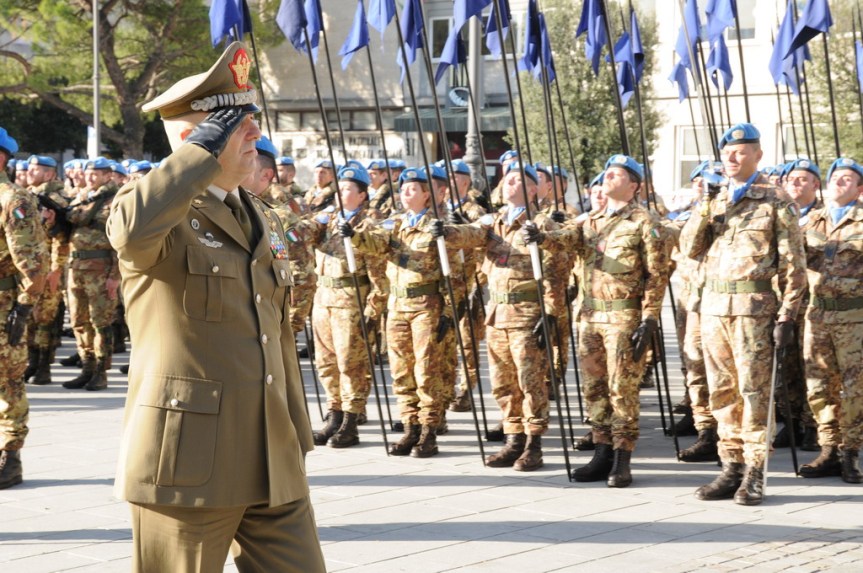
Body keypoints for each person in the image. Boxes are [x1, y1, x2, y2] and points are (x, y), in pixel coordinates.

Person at [105, 41, 325, 572]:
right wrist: (196, 156)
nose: (255, 133)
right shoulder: (156, 211)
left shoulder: (259, 212)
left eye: (252, 119)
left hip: (272, 452)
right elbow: (131, 231)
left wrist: (295, 434)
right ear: (194, 139)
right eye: (235, 122)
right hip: (190, 462)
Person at [680, 123, 807, 506]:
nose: (731, 158)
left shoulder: (775, 201)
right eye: (726, 152)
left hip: (754, 312)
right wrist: (704, 206)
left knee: (754, 393)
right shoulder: (715, 201)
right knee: (722, 393)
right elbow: (689, 247)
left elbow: (794, 266)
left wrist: (788, 316)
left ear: (757, 155)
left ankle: (755, 471)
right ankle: (730, 465)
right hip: (715, 310)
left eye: (739, 151)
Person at [527, 155, 671, 486]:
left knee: (622, 387)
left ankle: (622, 457)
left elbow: (658, 274)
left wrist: (649, 318)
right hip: (590, 314)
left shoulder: (644, 222)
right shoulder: (590, 221)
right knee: (594, 388)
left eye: (617, 174)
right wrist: (540, 236)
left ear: (634, 185)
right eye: (607, 173)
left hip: (624, 314)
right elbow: (565, 240)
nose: (608, 177)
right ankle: (601, 452)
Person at [342, 167, 474, 457]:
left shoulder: (437, 228)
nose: (405, 193)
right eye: (403, 188)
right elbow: (377, 244)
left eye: (413, 188)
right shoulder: (395, 225)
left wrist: (450, 314)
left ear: (427, 194)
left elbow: (456, 275)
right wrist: (353, 236)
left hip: (427, 307)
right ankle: (410, 428)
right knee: (401, 372)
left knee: (427, 371)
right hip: (397, 308)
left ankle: (429, 431)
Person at [305, 165, 386, 447]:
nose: (341, 192)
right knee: (326, 362)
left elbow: (378, 270)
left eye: (349, 188)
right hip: (323, 299)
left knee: (350, 363)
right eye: (340, 187)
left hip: (351, 301)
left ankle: (351, 420)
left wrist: (374, 309)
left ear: (362, 195)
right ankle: (334, 414)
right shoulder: (327, 220)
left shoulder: (369, 223)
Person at [798, 157, 863, 484]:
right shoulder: (811, 221)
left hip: (854, 318)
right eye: (835, 176)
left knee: (854, 388)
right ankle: (829, 449)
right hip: (817, 315)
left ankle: (851, 453)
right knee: (819, 384)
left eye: (848, 178)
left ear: (859, 189)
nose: (839, 182)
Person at [0, 127, 49, 489]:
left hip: (3, 308)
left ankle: (9, 456)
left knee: (8, 383)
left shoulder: (13, 200)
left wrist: (22, 309)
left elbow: (33, 264)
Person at [62, 157, 120, 391]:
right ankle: (86, 367)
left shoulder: (114, 200)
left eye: (96, 173)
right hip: (76, 268)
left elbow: (120, 240)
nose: (89, 177)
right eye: (88, 173)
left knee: (101, 322)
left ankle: (100, 371)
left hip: (101, 269)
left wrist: (115, 275)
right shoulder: (82, 197)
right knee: (78, 321)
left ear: (108, 175)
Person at [24, 155, 71, 386]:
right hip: (30, 269)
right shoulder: (29, 195)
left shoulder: (56, 200)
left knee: (45, 319)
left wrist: (55, 270)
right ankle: (32, 362)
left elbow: (62, 239)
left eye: (36, 170)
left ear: (50, 174)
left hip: (48, 267)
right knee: (30, 319)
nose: (30, 173)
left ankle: (44, 367)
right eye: (30, 169)